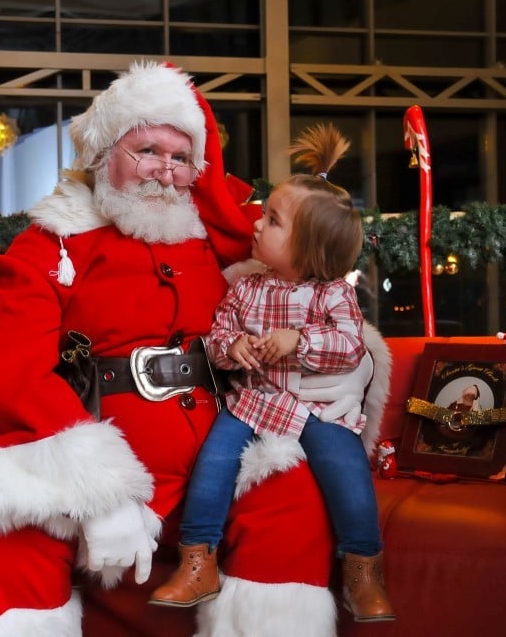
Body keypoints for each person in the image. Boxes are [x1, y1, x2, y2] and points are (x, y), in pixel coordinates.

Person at [0, 60, 391, 637]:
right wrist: (97, 492)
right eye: (147, 150)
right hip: (103, 442)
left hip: (223, 448)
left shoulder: (233, 243)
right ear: (106, 156)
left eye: (181, 158)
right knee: (0, 538)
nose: (165, 170)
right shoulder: (50, 248)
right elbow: (6, 366)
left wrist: (348, 365)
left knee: (293, 496)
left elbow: (318, 278)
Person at [149, 126, 393, 622]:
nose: (257, 226)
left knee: (348, 477)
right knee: (212, 464)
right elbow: (217, 338)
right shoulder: (245, 289)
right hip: (253, 403)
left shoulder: (333, 296)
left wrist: (299, 341)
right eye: (263, 215)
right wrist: (231, 347)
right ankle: (199, 560)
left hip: (318, 411)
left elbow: (349, 346)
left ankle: (362, 569)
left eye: (273, 221)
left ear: (309, 248)